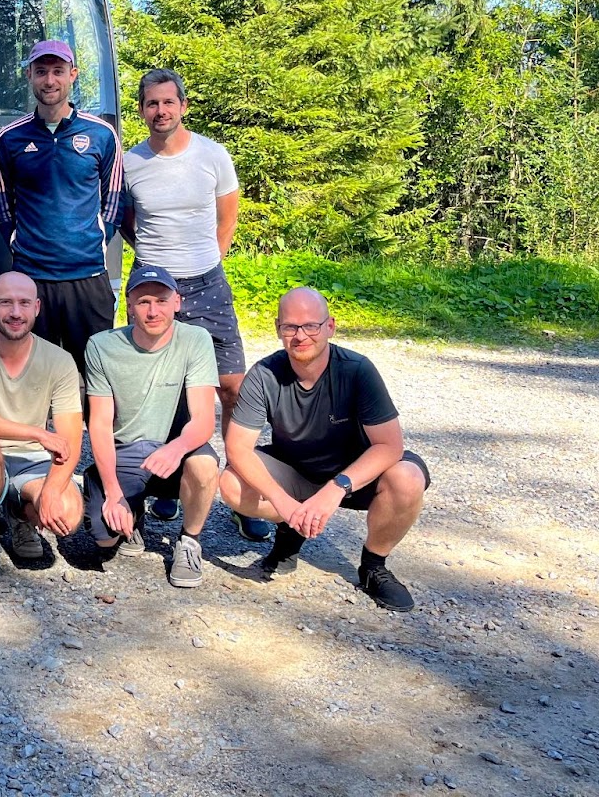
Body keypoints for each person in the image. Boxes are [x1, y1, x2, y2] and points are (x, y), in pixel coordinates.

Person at [219, 287, 430, 612]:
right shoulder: (264, 375)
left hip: (353, 477)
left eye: (310, 326)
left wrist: (336, 488)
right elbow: (237, 448)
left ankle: (374, 565)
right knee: (231, 483)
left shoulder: (356, 370)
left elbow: (389, 445)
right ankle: (290, 531)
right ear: (278, 329)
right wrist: (285, 504)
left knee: (408, 478)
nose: (300, 335)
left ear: (329, 326)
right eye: (290, 327)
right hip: (297, 473)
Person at [121, 67, 265, 540]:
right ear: (141, 110)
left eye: (168, 102)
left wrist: (207, 261)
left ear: (182, 105)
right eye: (151, 104)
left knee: (231, 388)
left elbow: (227, 216)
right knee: (155, 389)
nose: (160, 111)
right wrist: (155, 268)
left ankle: (246, 491)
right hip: (152, 288)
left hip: (207, 284)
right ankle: (164, 484)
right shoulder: (129, 163)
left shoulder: (213, 155)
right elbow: (125, 221)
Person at [82, 264, 220, 591]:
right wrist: (113, 492)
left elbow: (203, 419)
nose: (153, 310)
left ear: (177, 302)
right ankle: (117, 497)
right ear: (129, 306)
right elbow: (99, 424)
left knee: (204, 466)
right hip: (126, 450)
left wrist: (176, 448)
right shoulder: (101, 346)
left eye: (161, 301)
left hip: (176, 449)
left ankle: (189, 542)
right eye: (143, 302)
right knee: (103, 540)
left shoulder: (196, 340)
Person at [0, 40, 121, 370]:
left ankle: (95, 426)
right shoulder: (8, 139)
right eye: (42, 72)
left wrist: (98, 240)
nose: (50, 80)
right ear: (30, 76)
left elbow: (116, 198)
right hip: (33, 280)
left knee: (97, 377)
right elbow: (3, 206)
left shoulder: (102, 134)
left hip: (88, 277)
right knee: (34, 379)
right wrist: (19, 242)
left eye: (58, 71)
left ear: (73, 75)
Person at [0, 272, 84, 585]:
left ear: (37, 307)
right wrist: (36, 432)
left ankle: (21, 514)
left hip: (32, 465)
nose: (15, 312)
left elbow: (71, 438)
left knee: (67, 514)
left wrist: (50, 491)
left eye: (24, 303)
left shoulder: (59, 360)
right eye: (5, 302)